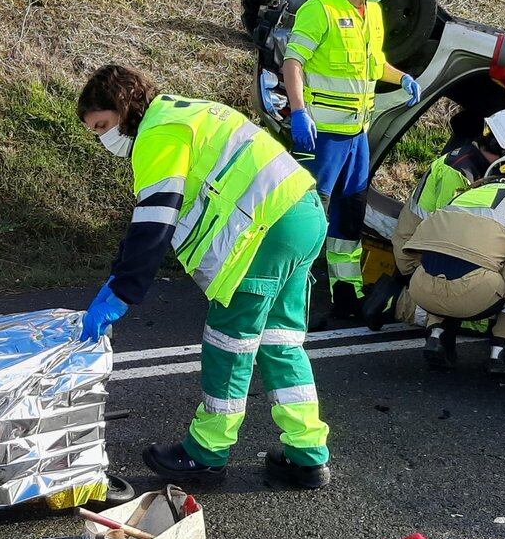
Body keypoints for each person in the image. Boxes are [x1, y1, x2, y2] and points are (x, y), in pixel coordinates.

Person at [76, 65, 331, 489]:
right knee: (281, 341)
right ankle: (308, 455)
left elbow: (155, 219)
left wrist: (122, 290)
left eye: (103, 125)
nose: (103, 138)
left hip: (263, 234)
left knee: (228, 344)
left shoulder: (157, 132)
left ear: (123, 108)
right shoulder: (188, 112)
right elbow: (153, 217)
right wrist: (119, 273)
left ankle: (206, 453)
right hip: (303, 214)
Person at [278, 0, 420, 322]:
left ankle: (346, 292)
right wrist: (299, 110)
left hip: (356, 135)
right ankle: (292, 298)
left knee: (349, 216)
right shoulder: (321, 8)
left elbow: (373, 63)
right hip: (323, 136)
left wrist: (400, 77)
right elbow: (293, 62)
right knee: (308, 217)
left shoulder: (371, 12)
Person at [369, 107, 505, 328]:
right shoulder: (460, 172)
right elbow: (451, 236)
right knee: (478, 308)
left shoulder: (472, 162)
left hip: (428, 247)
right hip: (419, 256)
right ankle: (397, 303)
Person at [403, 146, 505, 375]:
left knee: (452, 253)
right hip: (477, 294)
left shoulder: (464, 195)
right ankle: (504, 349)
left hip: (421, 287)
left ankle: (438, 334)